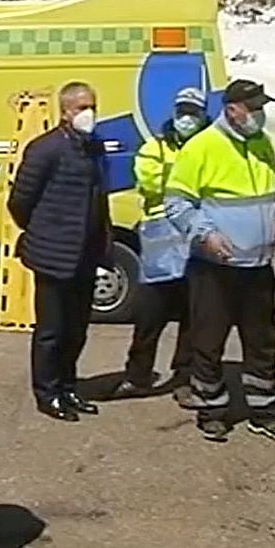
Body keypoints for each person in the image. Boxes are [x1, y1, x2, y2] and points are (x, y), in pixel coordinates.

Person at [165, 78, 275, 444]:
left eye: (262, 108)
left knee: (263, 340)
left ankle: (264, 409)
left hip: (257, 266)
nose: (259, 115)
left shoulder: (263, 143)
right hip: (215, 267)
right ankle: (212, 410)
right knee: (208, 339)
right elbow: (177, 203)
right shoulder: (202, 147)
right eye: (253, 108)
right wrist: (205, 234)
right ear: (232, 109)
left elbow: (274, 188)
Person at [7, 81, 112, 423]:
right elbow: (20, 201)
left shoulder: (93, 148)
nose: (89, 113)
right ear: (65, 111)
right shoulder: (45, 149)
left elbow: (99, 199)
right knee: (51, 330)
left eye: (92, 105)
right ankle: (47, 393)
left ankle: (68, 386)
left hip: (85, 253)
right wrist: (43, 232)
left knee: (77, 328)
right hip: (53, 253)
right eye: (81, 107)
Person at [114, 87, 207, 404]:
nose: (186, 118)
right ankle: (138, 375)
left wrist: (180, 180)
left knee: (193, 314)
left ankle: (185, 377)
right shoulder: (155, 146)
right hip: (161, 235)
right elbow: (149, 182)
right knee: (149, 313)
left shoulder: (210, 146)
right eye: (182, 111)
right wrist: (190, 181)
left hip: (195, 235)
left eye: (193, 112)